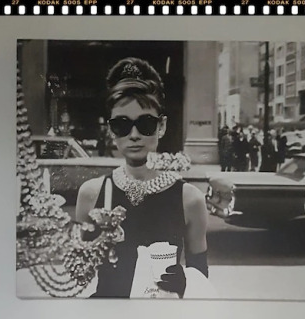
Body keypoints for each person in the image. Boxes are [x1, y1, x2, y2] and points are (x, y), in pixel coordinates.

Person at [75, 57, 209, 299]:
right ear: (111, 130)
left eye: (146, 124)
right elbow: (78, 273)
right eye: (122, 125)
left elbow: (201, 278)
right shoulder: (91, 194)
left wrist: (186, 282)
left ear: (162, 126)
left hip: (162, 318)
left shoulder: (190, 199)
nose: (134, 135)